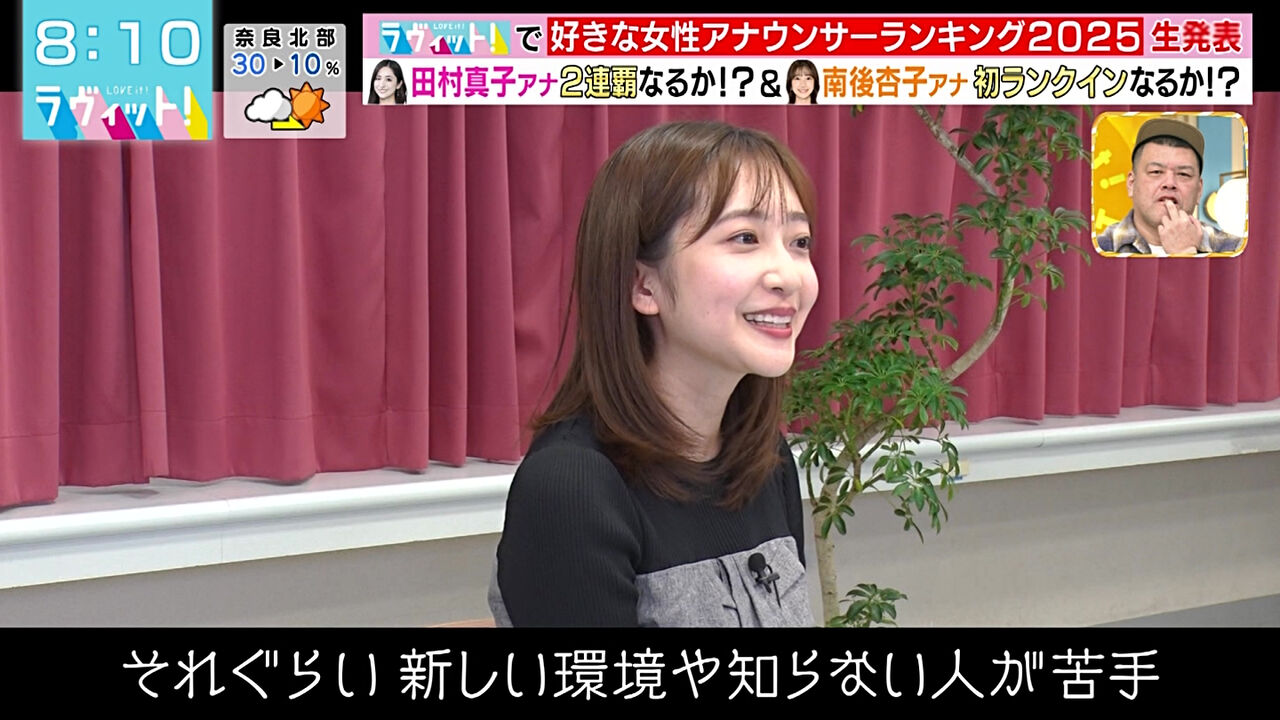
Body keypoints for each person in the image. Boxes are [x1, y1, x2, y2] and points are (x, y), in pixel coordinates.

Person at [488, 121, 820, 627]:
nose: (789, 276)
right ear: (643, 285)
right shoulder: (571, 489)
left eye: (799, 242)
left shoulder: (766, 460)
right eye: (745, 237)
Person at [1096, 117, 1243, 255]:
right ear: (1131, 184)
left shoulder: (1235, 250)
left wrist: (1186, 254)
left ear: (1199, 191)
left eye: (1183, 174)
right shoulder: (1097, 250)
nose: (1170, 183)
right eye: (1156, 172)